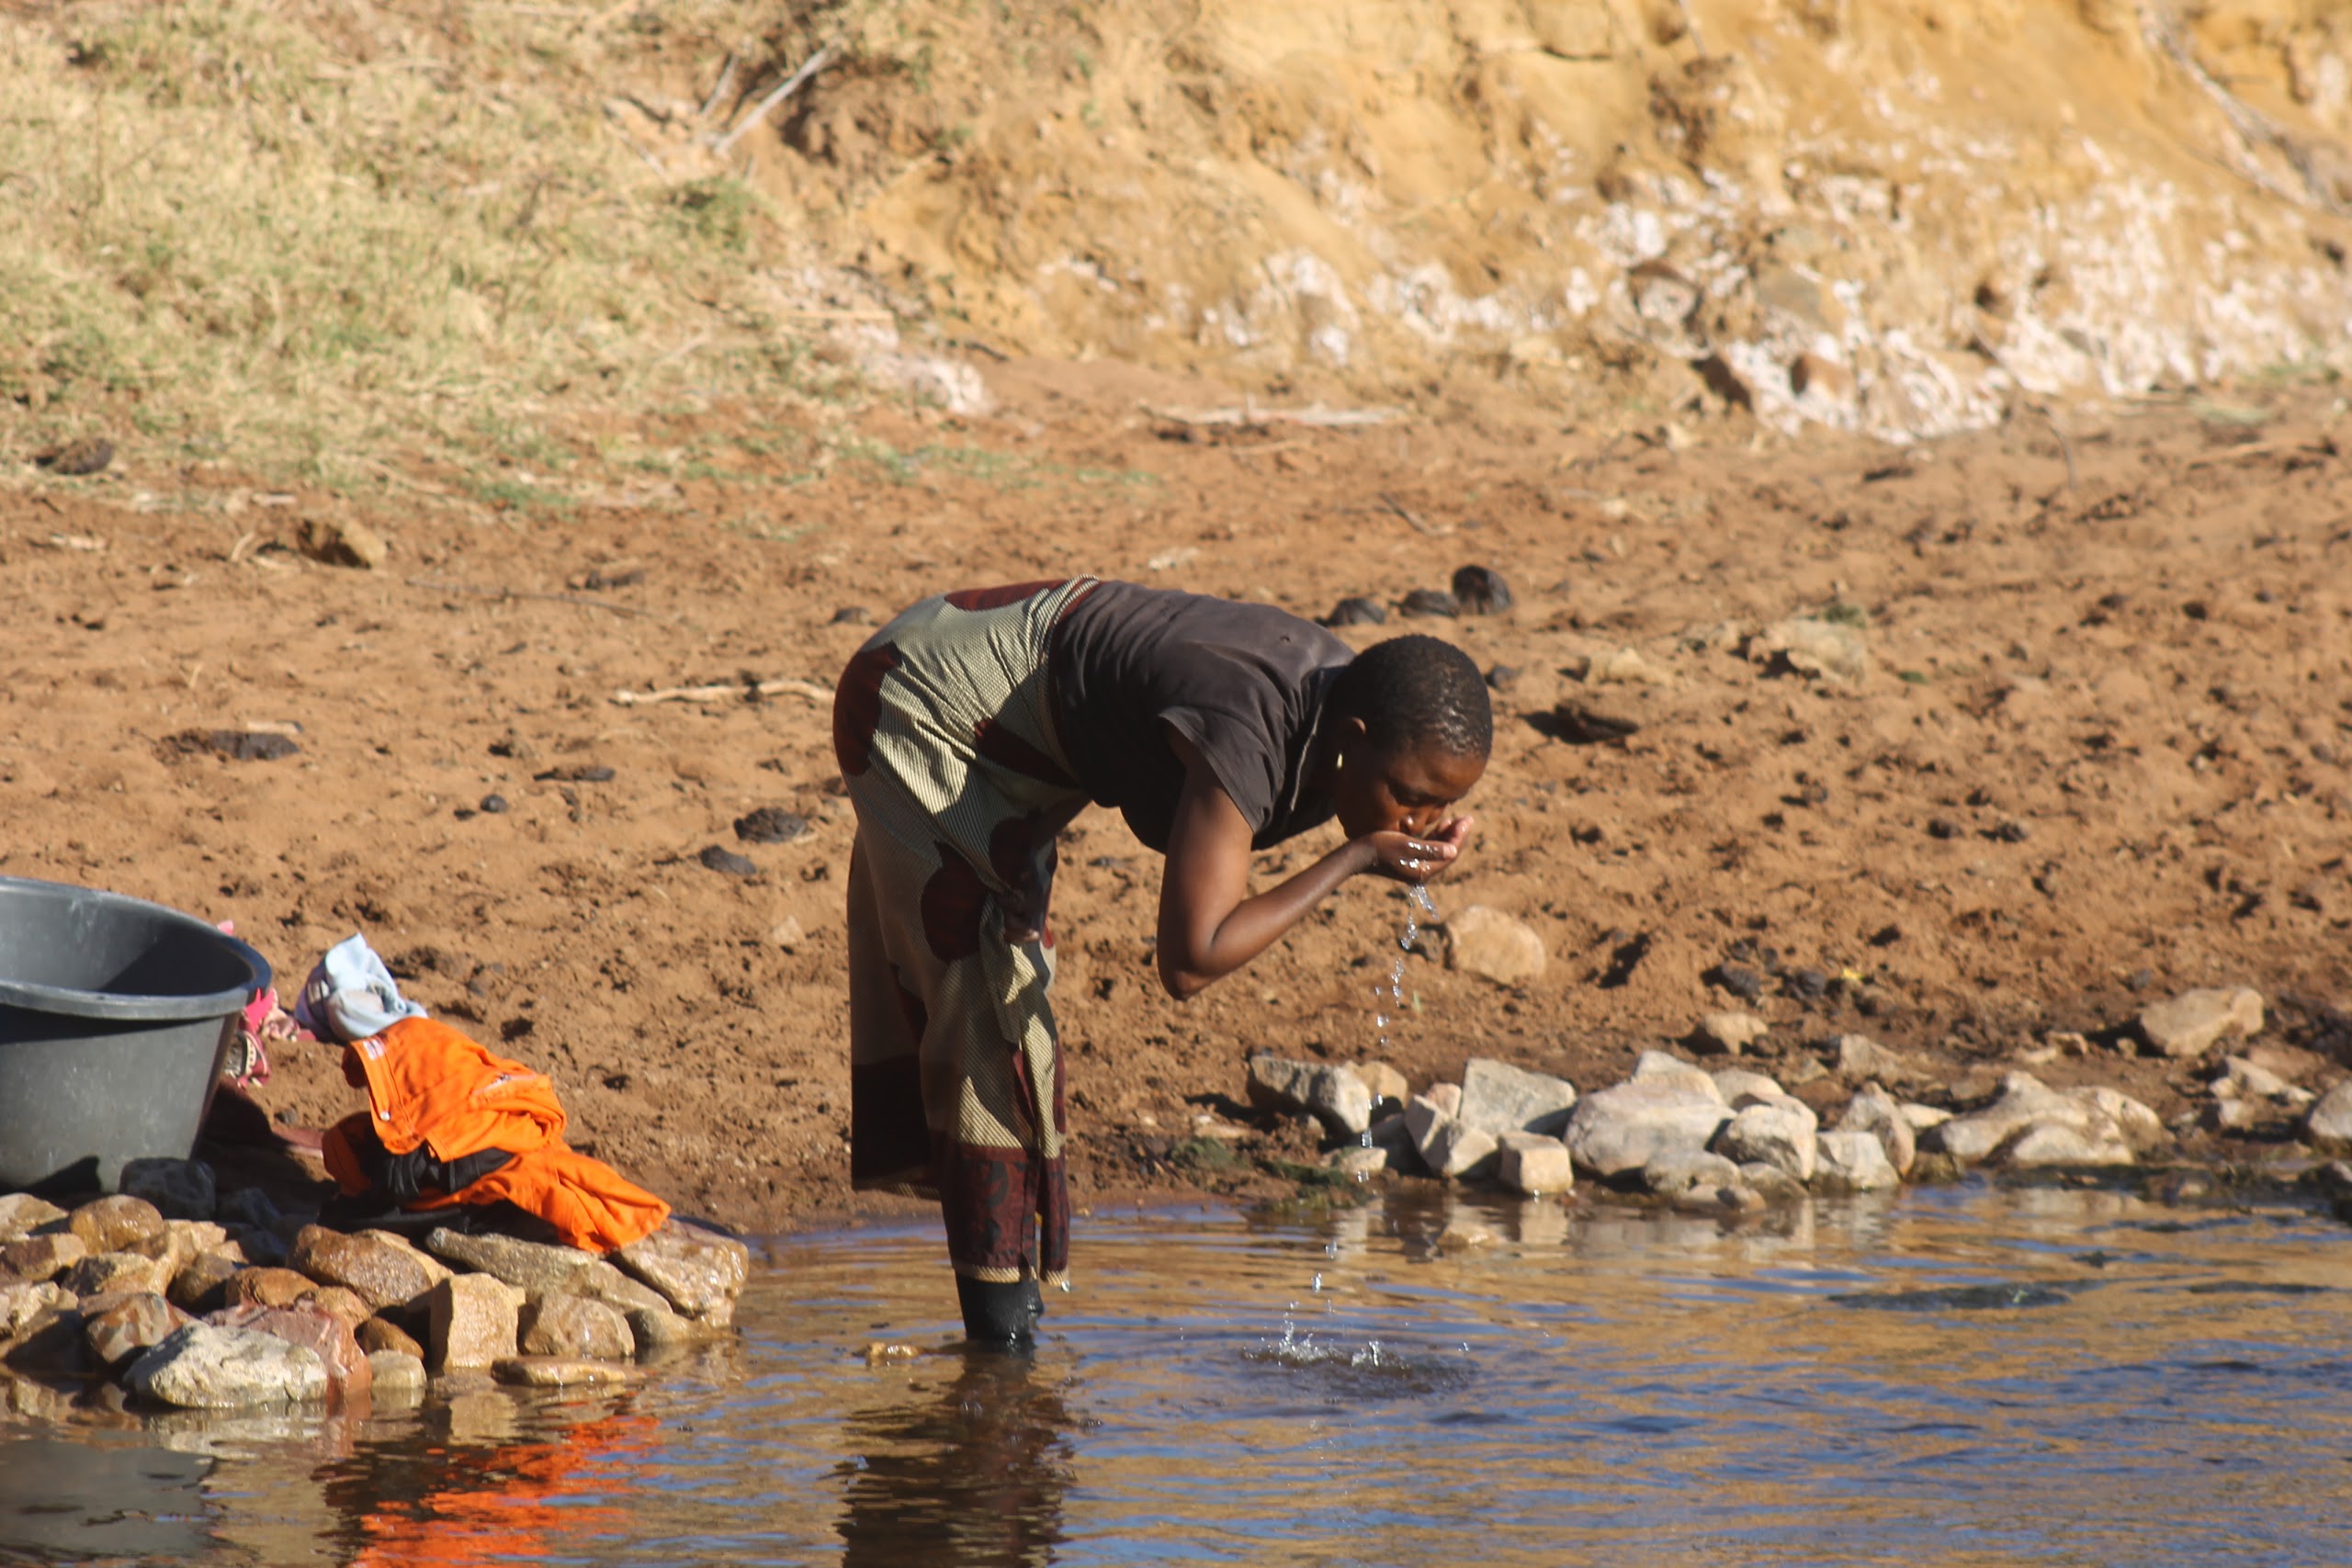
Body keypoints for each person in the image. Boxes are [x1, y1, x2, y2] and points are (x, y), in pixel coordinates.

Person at [834, 577, 1489, 1345]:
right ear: (1351, 736)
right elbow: (1190, 960)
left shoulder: (1352, 715)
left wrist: (1377, 830)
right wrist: (1354, 857)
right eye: (1409, 796)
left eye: (1443, 807)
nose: (1423, 822)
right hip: (923, 701)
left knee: (1000, 966)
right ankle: (1000, 1345)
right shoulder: (1254, 728)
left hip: (1016, 722)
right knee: (992, 1008)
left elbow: (1115, 716)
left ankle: (1010, 1324)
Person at [299, 934, 672, 1253]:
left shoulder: (384, 1143)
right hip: (461, 1127)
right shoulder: (492, 1110)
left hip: (455, 1132)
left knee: (401, 1144)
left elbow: (393, 1177)